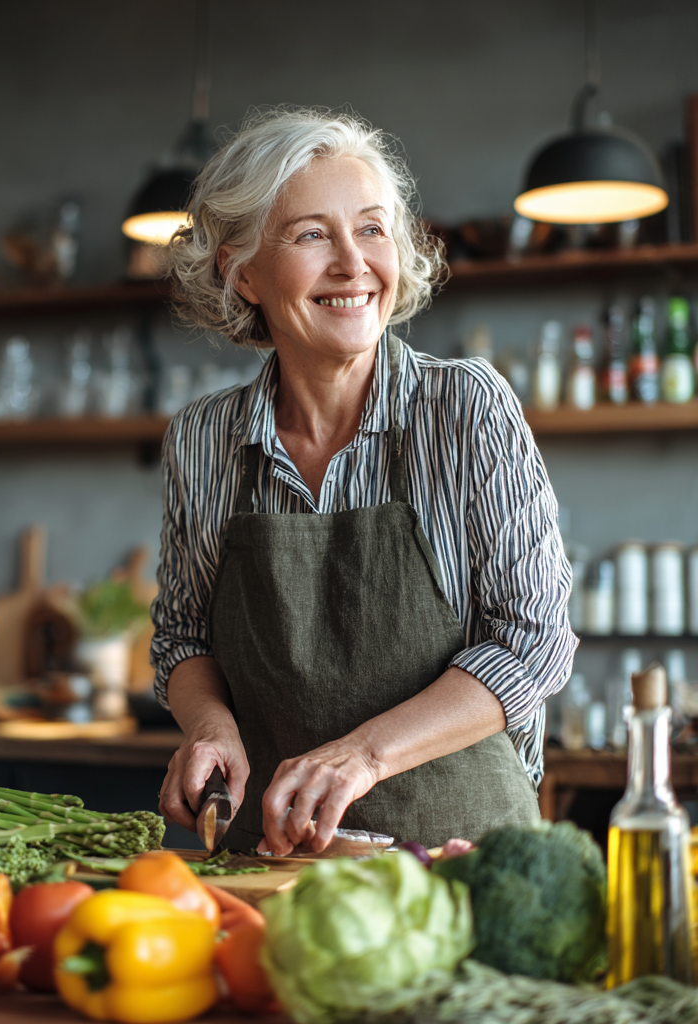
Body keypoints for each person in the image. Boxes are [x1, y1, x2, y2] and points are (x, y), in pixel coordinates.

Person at [150, 108, 576, 856]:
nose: (354, 264)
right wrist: (210, 727)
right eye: (313, 234)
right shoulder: (203, 439)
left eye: (373, 229)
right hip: (271, 868)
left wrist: (363, 756)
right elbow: (184, 636)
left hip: (460, 865)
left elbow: (532, 642)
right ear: (240, 270)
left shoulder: (465, 408)